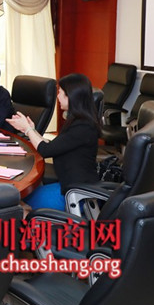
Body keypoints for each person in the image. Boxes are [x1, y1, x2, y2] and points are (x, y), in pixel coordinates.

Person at [7, 73, 100, 211]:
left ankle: (32, 224)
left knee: (17, 200)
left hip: (75, 193)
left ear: (70, 96)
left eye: (60, 92)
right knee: (21, 194)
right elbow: (54, 146)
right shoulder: (78, 121)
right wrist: (32, 130)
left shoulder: (82, 126)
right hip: (67, 184)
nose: (58, 97)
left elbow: (46, 150)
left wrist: (27, 130)